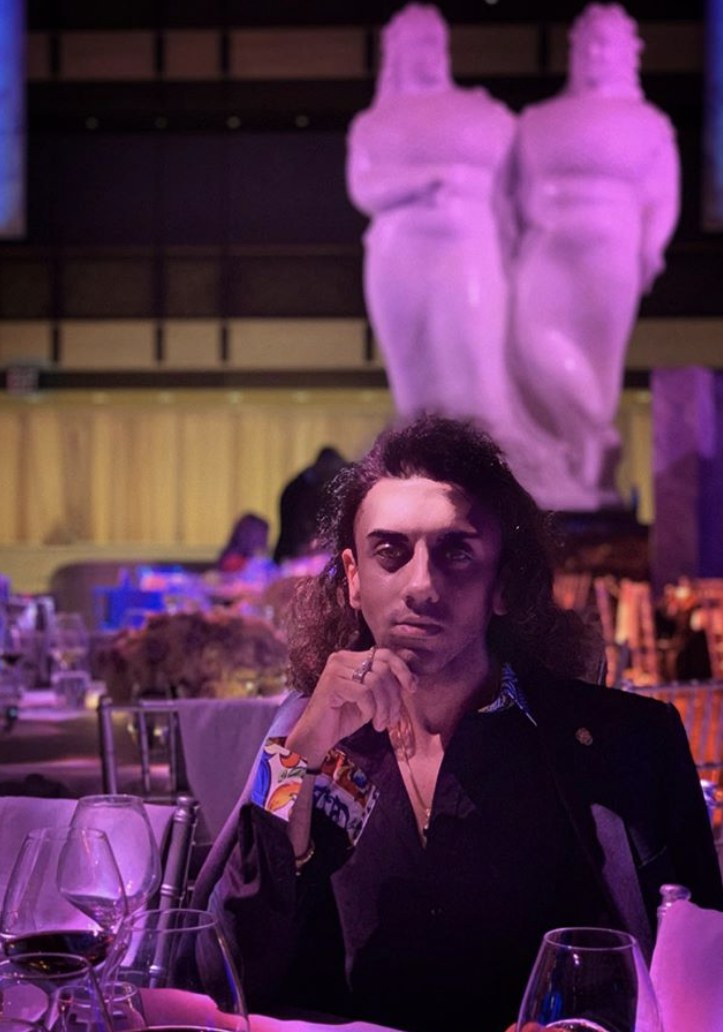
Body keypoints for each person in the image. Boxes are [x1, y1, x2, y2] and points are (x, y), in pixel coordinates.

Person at [193, 416, 723, 1032]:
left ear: (502, 584)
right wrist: (299, 754)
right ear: (354, 579)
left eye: (457, 551)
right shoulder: (304, 737)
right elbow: (223, 974)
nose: (421, 584)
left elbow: (696, 986)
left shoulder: (630, 744)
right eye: (390, 552)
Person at [508, 3, 680, 511]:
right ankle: (593, 435)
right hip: (548, 244)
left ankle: (587, 467)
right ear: (575, 49)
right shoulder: (538, 120)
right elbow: (513, 195)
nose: (598, 54)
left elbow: (663, 196)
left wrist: (650, 250)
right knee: (528, 339)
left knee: (600, 364)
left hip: (610, 248)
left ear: (629, 53)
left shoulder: (648, 123)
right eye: (590, 44)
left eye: (609, 44)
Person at [346, 4, 516, 432]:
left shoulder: (481, 111)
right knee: (412, 378)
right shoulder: (374, 122)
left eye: (436, 42)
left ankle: (490, 463)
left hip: (466, 248)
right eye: (420, 43)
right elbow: (364, 188)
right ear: (397, 51)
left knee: (474, 362)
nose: (431, 52)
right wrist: (426, 180)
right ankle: (425, 463)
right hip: (398, 255)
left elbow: (512, 183)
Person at [273, 447, 346, 564]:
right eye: (332, 471)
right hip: (295, 555)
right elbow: (296, 525)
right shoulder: (298, 490)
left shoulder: (310, 486)